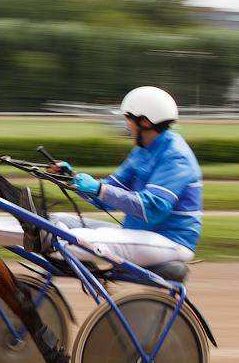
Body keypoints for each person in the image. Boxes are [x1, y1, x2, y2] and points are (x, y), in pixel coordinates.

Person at [45, 86, 203, 267]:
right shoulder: (142, 151)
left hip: (169, 241)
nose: (126, 124)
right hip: (138, 234)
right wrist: (71, 178)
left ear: (145, 122)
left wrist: (99, 189)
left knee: (67, 240)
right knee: (54, 222)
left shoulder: (176, 156)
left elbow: (152, 208)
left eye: (128, 118)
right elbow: (107, 196)